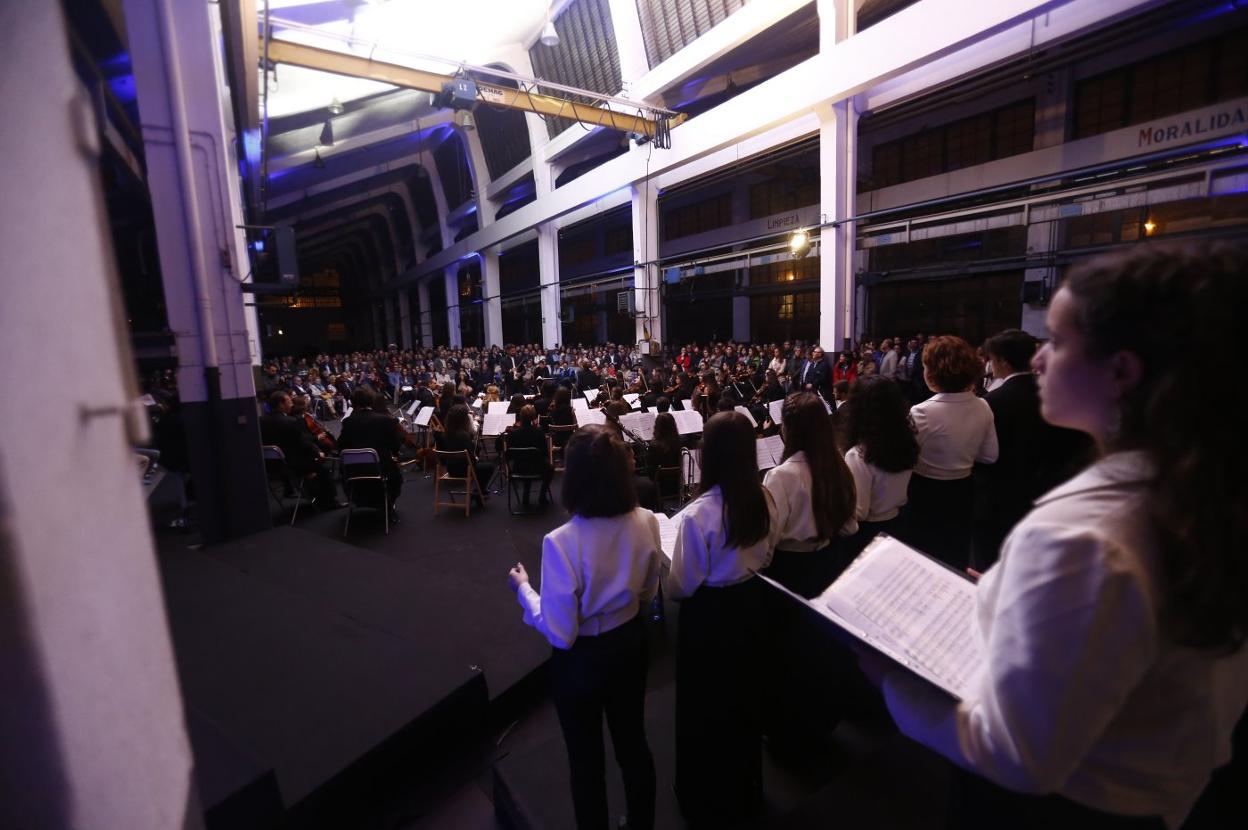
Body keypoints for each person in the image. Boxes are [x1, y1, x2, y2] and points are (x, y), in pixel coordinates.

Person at [874, 245, 1248, 829]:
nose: (1039, 359)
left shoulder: (1084, 541)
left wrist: (888, 674)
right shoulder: (1194, 484)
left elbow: (1015, 754)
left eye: (1058, 340)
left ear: (1121, 370)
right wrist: (1005, 591)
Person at [507, 426, 661, 830]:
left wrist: (525, 591)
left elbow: (561, 632)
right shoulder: (647, 520)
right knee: (633, 743)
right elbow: (648, 592)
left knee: (586, 760)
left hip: (582, 663)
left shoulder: (561, 541)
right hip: (631, 644)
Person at [666, 412, 777, 825]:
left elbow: (681, 585)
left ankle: (706, 796)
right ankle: (746, 788)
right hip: (751, 605)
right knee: (745, 700)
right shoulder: (764, 497)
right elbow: (767, 554)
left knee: (705, 708)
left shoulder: (699, 515)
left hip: (709, 620)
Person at [972, 329, 1093, 569]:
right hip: (1047, 495)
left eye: (992, 360)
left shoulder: (992, 402)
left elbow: (983, 453)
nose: (990, 365)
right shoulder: (1055, 396)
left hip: (1000, 498)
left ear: (1002, 362)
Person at [905, 335, 999, 570]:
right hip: (963, 491)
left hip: (923, 492)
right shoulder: (983, 405)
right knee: (954, 557)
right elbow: (990, 456)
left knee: (922, 558)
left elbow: (906, 457)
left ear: (933, 373)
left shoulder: (922, 411)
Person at [763, 391, 858, 598]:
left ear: (787, 429)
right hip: (829, 563)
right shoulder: (839, 463)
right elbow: (850, 526)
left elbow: (769, 540)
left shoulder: (779, 476)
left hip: (788, 570)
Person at [841, 377, 918, 555]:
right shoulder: (906, 440)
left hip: (867, 535)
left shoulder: (859, 454)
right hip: (897, 524)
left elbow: (859, 512)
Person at [259, 391, 343, 509]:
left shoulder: (261, 421)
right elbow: (303, 443)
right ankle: (330, 501)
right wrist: (317, 453)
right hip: (293, 464)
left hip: (272, 466)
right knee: (321, 467)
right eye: (289, 401)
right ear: (281, 404)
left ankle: (310, 494)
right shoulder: (290, 421)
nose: (292, 404)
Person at [337, 387, 403, 514]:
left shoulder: (348, 422)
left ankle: (360, 500)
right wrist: (395, 454)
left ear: (353, 403)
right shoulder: (384, 420)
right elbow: (395, 445)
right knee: (396, 476)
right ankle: (388, 503)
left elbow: (340, 446)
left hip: (353, 470)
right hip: (380, 468)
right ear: (370, 401)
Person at [438, 404, 494, 504]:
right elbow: (472, 460)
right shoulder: (463, 435)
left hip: (450, 468)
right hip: (464, 470)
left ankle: (481, 492)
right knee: (489, 467)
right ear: (464, 420)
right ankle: (479, 492)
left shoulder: (445, 434)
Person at [504, 405, 552, 506]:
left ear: (521, 416)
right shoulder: (539, 432)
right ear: (533, 416)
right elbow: (545, 454)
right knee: (550, 468)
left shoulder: (514, 433)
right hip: (537, 467)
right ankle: (542, 496)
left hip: (518, 468)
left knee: (526, 460)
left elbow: (508, 456)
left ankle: (525, 495)